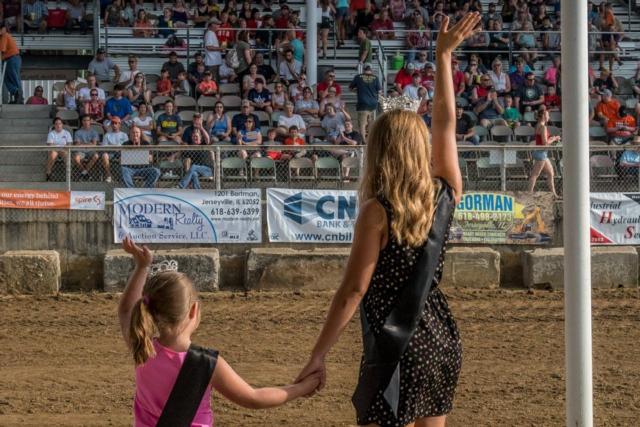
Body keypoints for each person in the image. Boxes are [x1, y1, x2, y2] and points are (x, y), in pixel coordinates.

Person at [294, 13, 478, 427]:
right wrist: (443, 57)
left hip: (394, 347)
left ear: (378, 149)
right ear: (420, 146)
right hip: (440, 339)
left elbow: (353, 290)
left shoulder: (376, 212)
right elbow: (447, 125)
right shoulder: (444, 193)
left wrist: (318, 354)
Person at [118, 237, 320, 425]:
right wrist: (302, 388)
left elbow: (126, 310)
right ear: (194, 311)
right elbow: (254, 398)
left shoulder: (143, 349)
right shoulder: (208, 364)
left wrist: (142, 267)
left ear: (149, 310)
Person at [528, 108, 559, 197]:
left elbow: (542, 141)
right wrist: (554, 139)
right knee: (534, 175)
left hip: (542, 153)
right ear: (543, 116)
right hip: (541, 153)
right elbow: (545, 143)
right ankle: (529, 194)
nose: (549, 117)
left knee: (550, 173)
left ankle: (554, 194)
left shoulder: (538, 125)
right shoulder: (543, 127)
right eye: (547, 115)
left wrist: (551, 139)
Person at [101, 116, 129, 183]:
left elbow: (126, 147)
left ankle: (123, 177)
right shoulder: (107, 135)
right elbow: (104, 147)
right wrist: (115, 147)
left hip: (121, 153)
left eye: (116, 123)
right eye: (113, 123)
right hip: (110, 153)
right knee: (104, 155)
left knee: (125, 155)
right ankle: (109, 175)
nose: (114, 125)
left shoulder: (124, 135)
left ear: (119, 124)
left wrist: (114, 147)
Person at [0, 22, 23, 104]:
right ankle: (15, 93)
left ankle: (20, 99)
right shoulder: (3, 36)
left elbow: (2, 50)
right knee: (6, 78)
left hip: (12, 58)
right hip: (8, 59)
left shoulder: (4, 36)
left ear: (3, 29)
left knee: (14, 78)